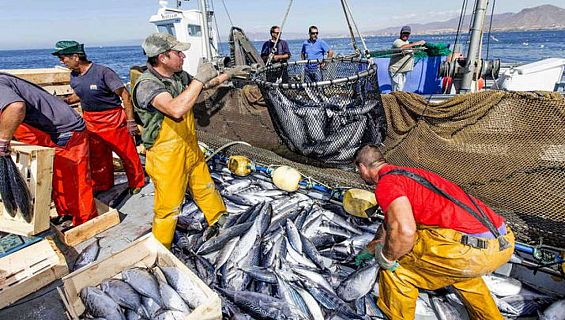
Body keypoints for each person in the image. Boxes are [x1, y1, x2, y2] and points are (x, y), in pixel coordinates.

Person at [354, 144, 515, 320]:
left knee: (397, 271)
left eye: (358, 170)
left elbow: (405, 232)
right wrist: (371, 247)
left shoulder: (386, 184)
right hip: (500, 243)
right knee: (458, 274)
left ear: (363, 167)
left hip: (466, 251)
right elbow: (389, 224)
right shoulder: (411, 174)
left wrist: (387, 258)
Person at [132, 32, 248, 248]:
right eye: (178, 53)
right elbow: (175, 109)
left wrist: (229, 75)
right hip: (165, 155)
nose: (183, 56)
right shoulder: (147, 85)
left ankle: (219, 219)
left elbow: (202, 86)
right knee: (169, 206)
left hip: (188, 145)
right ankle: (161, 248)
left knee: (204, 185)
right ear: (162, 57)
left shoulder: (177, 76)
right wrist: (197, 79)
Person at [0, 73, 97, 226]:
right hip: (47, 130)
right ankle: (67, 214)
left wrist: (3, 141)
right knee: (57, 176)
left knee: (74, 179)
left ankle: (85, 221)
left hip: (66, 130)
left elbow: (16, 107)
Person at [52, 40, 145, 194]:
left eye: (63, 58)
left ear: (76, 56)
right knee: (98, 156)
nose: (62, 61)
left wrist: (130, 121)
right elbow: (80, 94)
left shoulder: (103, 72)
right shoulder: (74, 76)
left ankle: (137, 182)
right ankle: (103, 185)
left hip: (112, 119)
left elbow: (125, 96)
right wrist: (67, 100)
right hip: (91, 121)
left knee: (126, 154)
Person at [388, 26, 425, 91]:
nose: (405, 35)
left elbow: (408, 49)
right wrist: (416, 43)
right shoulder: (397, 42)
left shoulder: (407, 42)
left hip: (403, 71)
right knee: (398, 90)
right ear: (401, 33)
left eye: (407, 33)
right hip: (396, 71)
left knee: (400, 89)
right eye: (404, 33)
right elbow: (402, 48)